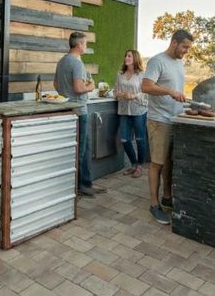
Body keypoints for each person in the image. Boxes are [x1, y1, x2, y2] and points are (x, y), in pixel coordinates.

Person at [142, 29, 193, 225]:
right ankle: (154, 205)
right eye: (184, 47)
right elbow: (146, 87)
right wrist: (170, 91)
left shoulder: (179, 63)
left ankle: (167, 197)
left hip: (175, 119)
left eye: (188, 47)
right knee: (157, 163)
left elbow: (176, 90)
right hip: (159, 120)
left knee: (169, 162)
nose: (186, 51)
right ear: (174, 43)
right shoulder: (157, 61)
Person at [54, 32, 104, 197]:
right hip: (79, 112)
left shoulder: (62, 61)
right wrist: (91, 86)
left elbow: (56, 84)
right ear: (79, 45)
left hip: (67, 110)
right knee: (80, 151)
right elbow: (79, 88)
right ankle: (79, 187)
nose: (86, 46)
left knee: (84, 148)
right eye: (85, 44)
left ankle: (86, 183)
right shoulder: (76, 63)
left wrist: (66, 94)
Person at [115, 49, 149, 179]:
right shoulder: (120, 74)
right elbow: (115, 90)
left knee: (140, 139)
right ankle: (133, 164)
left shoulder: (141, 75)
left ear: (135, 58)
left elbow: (145, 92)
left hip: (138, 110)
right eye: (126, 56)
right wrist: (121, 94)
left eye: (129, 56)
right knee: (124, 139)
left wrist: (134, 96)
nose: (126, 58)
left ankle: (140, 166)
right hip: (124, 110)